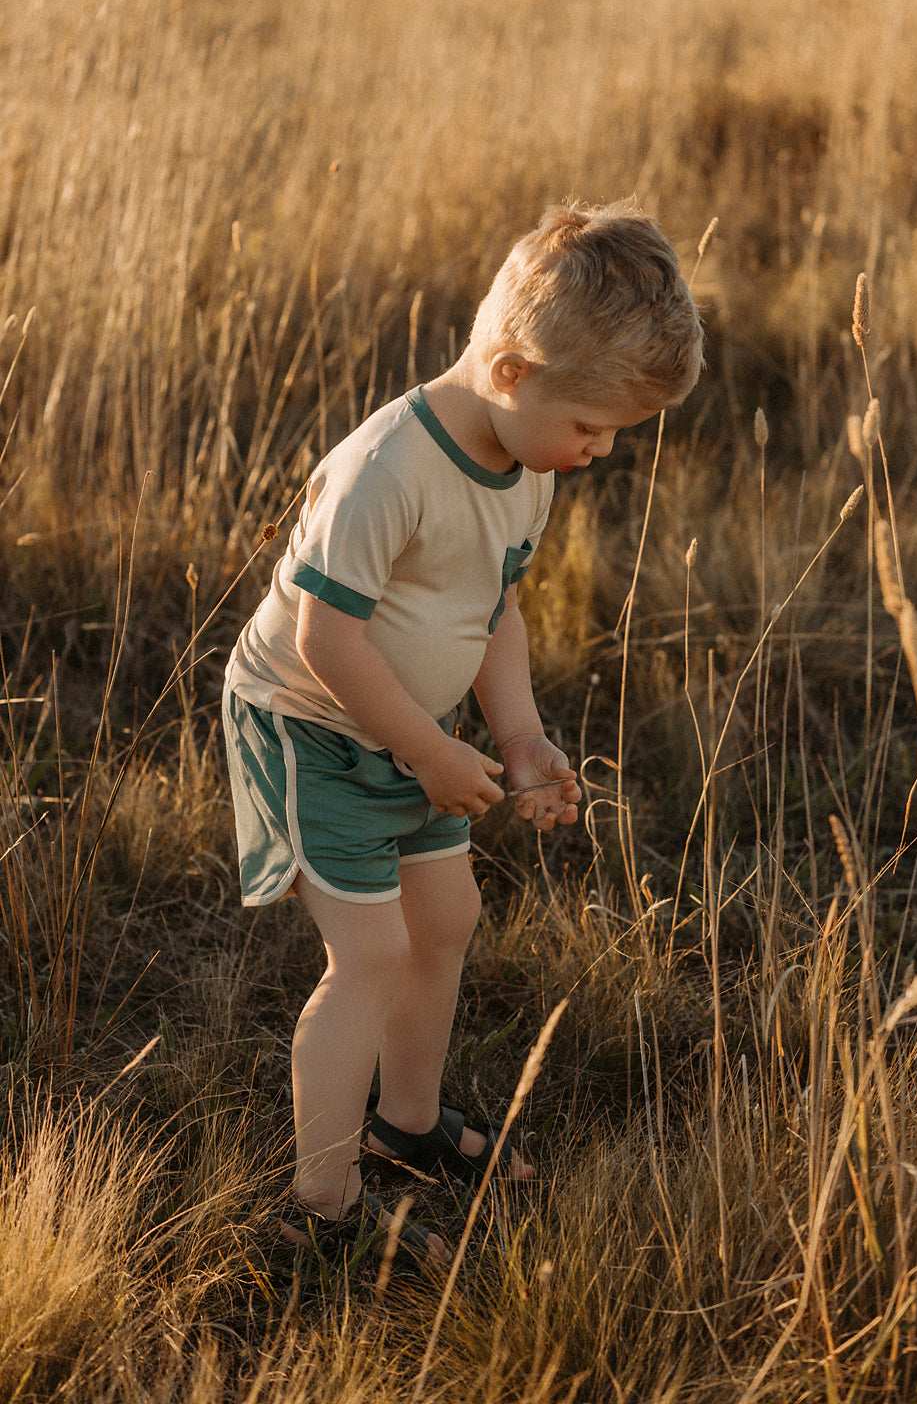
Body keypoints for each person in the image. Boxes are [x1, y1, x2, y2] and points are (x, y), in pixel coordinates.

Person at [220, 198, 706, 1277]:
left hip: (408, 729)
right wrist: (430, 754)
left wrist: (517, 737)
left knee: (447, 916)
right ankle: (320, 1206)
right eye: (590, 426)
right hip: (313, 726)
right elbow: (326, 636)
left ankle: (405, 1119)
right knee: (371, 953)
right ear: (513, 371)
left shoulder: (525, 466)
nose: (597, 451)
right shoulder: (388, 467)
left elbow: (492, 608)